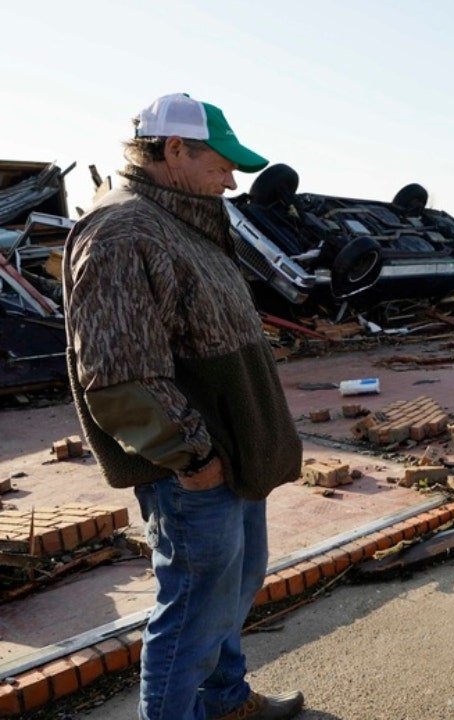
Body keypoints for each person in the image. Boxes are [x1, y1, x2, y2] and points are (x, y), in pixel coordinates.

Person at [62, 93, 305, 720]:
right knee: (194, 610)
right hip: (195, 469)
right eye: (221, 163)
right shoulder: (122, 229)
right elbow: (118, 376)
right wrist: (193, 458)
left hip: (230, 458)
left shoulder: (184, 222)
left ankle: (224, 703)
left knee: (230, 591)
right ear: (174, 150)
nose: (230, 179)